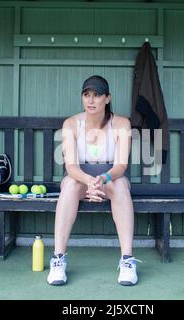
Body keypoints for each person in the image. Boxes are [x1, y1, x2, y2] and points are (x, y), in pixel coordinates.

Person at [47, 75, 140, 286]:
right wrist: (89, 181)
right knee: (69, 185)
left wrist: (103, 178)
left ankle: (127, 261)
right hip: (80, 177)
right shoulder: (71, 124)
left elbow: (120, 166)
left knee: (120, 185)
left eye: (97, 95)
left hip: (110, 177)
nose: (91, 100)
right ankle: (58, 259)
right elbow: (71, 167)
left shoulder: (122, 123)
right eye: (86, 95)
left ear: (107, 98)